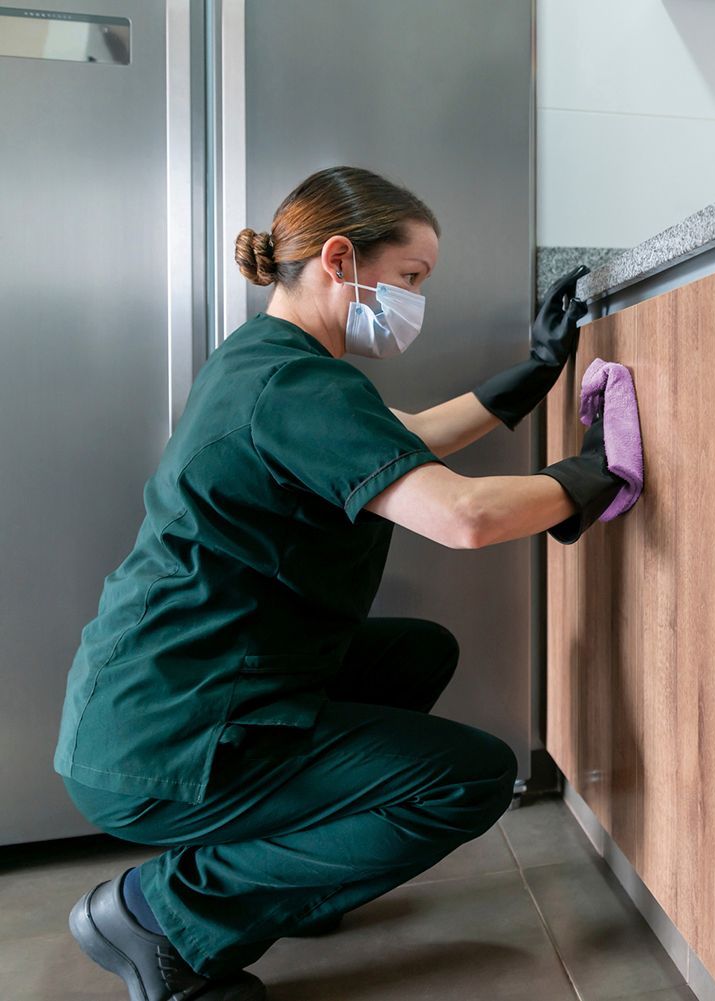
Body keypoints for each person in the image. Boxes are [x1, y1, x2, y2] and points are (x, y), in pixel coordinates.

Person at [55, 165, 624, 1001]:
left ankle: (287, 865)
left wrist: (537, 370)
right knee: (465, 777)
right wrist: (592, 476)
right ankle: (163, 914)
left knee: (416, 653)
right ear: (338, 259)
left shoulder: (266, 360)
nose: (414, 301)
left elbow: (409, 436)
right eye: (410, 278)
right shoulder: (295, 383)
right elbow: (462, 516)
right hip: (163, 741)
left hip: (163, 695)